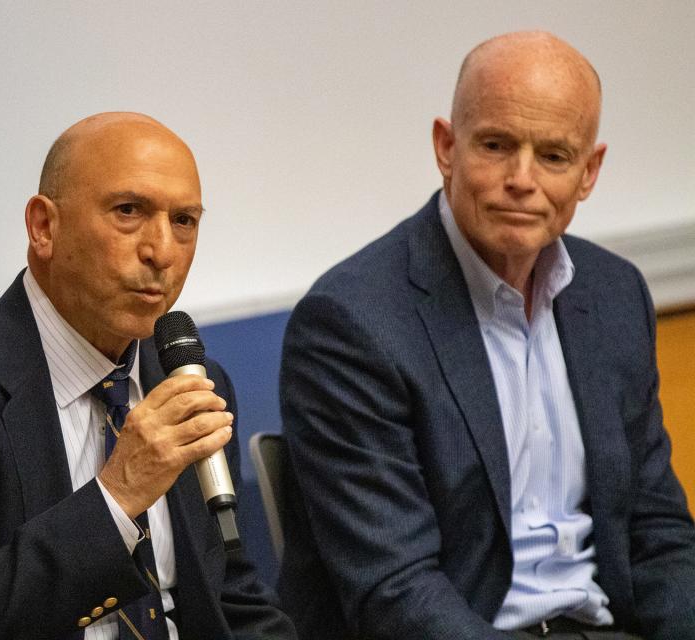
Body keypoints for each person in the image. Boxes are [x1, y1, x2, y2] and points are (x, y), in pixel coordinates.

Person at [278, 31, 695, 640]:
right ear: (447, 146)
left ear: (589, 172)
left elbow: (658, 534)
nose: (522, 179)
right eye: (497, 145)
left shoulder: (614, 295)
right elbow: (395, 590)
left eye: (554, 156)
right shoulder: (351, 323)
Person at [0, 112, 296, 640]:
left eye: (184, 221)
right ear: (44, 227)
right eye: (128, 211)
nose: (162, 252)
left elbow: (230, 597)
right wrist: (118, 494)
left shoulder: (186, 381)